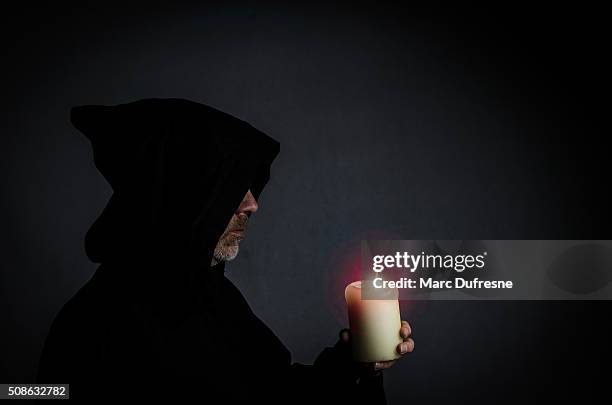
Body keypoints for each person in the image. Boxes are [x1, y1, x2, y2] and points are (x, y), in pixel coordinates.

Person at [37, 98, 414, 402]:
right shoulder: (92, 328)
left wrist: (354, 367)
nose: (252, 205)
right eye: (231, 186)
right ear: (179, 196)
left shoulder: (210, 296)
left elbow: (277, 394)